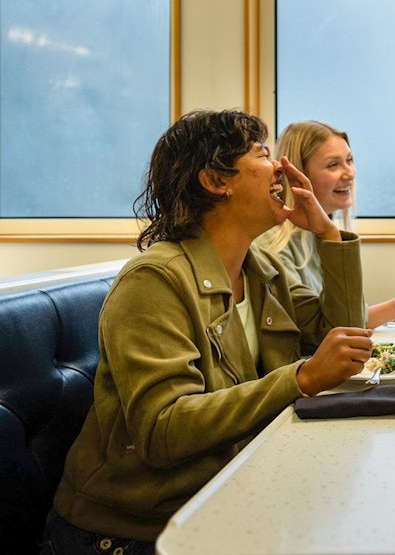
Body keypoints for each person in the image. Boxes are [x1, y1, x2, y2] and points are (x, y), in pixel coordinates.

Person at [43, 109, 374, 554]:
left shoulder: (264, 271)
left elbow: (345, 337)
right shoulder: (154, 281)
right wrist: (299, 379)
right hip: (132, 533)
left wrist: (329, 235)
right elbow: (164, 429)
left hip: (227, 495)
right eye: (263, 154)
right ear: (217, 181)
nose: (282, 167)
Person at [255, 121, 395, 328]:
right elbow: (329, 327)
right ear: (298, 175)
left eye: (350, 160)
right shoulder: (273, 245)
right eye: (333, 165)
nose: (350, 173)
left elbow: (345, 316)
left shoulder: (320, 235)